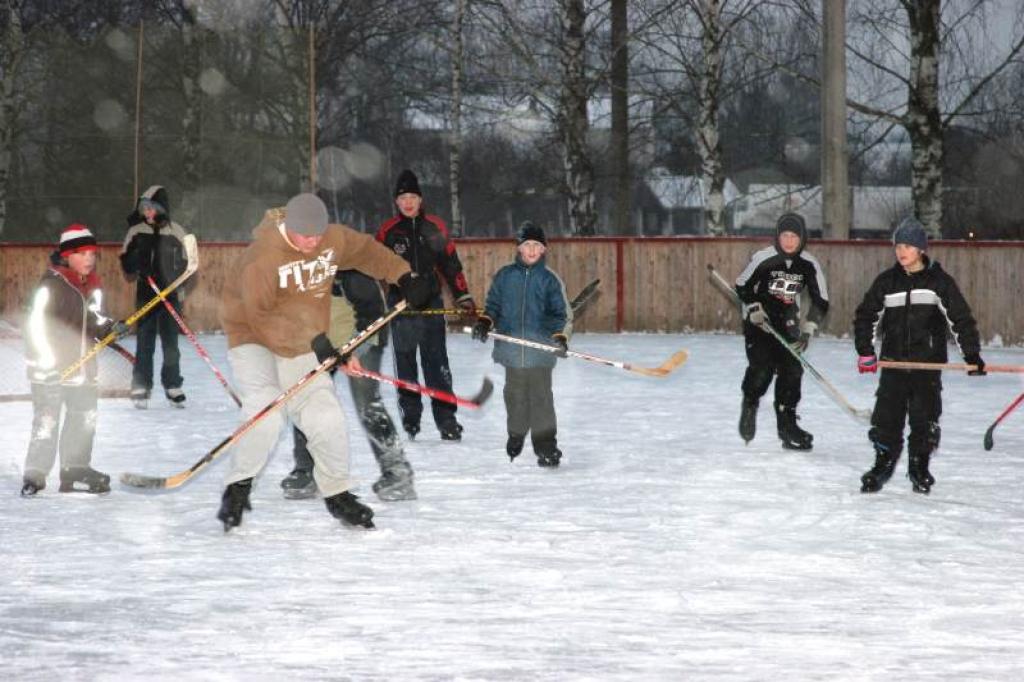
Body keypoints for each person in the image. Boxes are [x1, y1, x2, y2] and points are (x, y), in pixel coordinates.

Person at [216, 193, 431, 531]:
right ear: (289, 227)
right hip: (252, 336)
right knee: (266, 413)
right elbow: (261, 316)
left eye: (318, 235)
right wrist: (319, 343)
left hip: (304, 338)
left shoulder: (330, 239)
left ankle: (337, 493)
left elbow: (367, 252)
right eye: (306, 236)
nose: (313, 242)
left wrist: (404, 277)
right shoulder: (263, 256)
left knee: (325, 413)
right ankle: (239, 486)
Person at [853, 216, 985, 495]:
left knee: (924, 419)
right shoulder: (887, 282)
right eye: (898, 245)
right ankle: (883, 463)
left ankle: (918, 466)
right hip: (893, 363)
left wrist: (971, 355)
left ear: (921, 249)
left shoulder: (938, 282)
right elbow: (865, 316)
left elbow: (960, 319)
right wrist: (866, 351)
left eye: (908, 246)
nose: (902, 251)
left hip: (927, 365)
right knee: (886, 418)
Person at [281, 269, 418, 502]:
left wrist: (355, 351)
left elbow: (373, 315)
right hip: (324, 340)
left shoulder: (352, 272)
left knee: (366, 402)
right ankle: (306, 470)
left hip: (364, 336)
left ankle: (397, 472)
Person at [21, 225, 126, 496]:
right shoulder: (51, 286)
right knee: (47, 421)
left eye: (92, 253)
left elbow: (94, 320)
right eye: (81, 253)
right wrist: (46, 364)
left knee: (84, 419)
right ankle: (35, 475)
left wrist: (110, 328)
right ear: (67, 255)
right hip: (50, 371)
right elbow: (35, 328)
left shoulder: (93, 286)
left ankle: (74, 471)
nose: (89, 259)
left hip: (82, 368)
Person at [376, 169, 475, 441]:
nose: (408, 202)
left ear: (420, 200)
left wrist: (463, 296)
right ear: (396, 202)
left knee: (436, 362)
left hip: (431, 303)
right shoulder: (388, 232)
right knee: (405, 363)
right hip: (402, 305)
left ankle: (446, 419)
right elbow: (376, 266)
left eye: (412, 197)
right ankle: (411, 417)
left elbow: (450, 264)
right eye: (403, 197)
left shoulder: (435, 227)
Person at [471, 222, 571, 467]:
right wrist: (485, 321)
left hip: (539, 353)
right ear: (519, 248)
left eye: (537, 245)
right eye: (528, 245)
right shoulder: (505, 276)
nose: (532, 250)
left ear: (544, 250)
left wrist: (559, 336)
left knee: (541, 400)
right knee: (515, 397)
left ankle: (546, 447)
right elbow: (493, 305)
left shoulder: (549, 280)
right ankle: (516, 434)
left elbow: (560, 314)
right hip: (512, 352)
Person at [735, 212, 829, 450]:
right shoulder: (763, 258)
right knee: (763, 369)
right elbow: (742, 285)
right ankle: (750, 403)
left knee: (792, 372)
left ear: (802, 238)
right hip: (759, 323)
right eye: (784, 235)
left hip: (788, 324)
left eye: (794, 236)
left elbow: (821, 300)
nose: (788, 240)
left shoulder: (808, 264)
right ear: (778, 236)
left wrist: (809, 328)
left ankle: (787, 426)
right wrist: (754, 306)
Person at [119, 185, 191, 409]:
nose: (147, 213)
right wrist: (135, 260)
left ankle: (172, 384)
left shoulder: (177, 231)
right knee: (145, 341)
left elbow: (189, 264)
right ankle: (141, 384)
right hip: (146, 294)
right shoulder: (136, 231)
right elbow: (127, 263)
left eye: (152, 208)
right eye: (144, 209)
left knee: (171, 344)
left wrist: (177, 281)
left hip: (170, 295)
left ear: (162, 208)